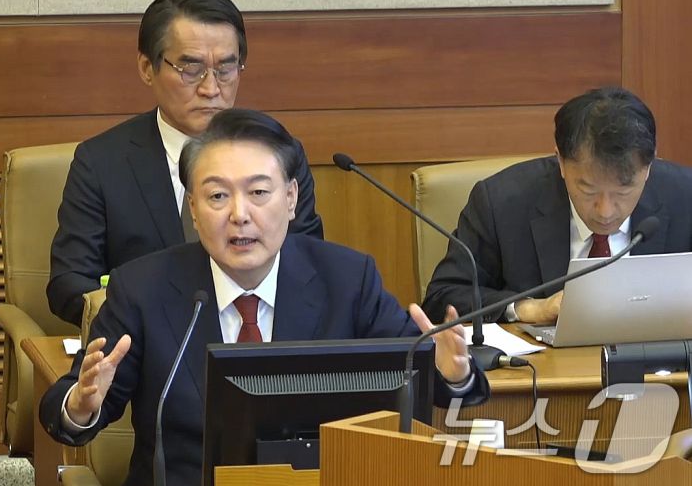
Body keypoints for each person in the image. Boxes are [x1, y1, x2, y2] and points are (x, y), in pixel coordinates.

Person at [40, 109, 490, 486]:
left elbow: (419, 384)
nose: (240, 215)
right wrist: (79, 406)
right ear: (193, 208)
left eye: (258, 192)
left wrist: (452, 374)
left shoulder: (346, 280)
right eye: (218, 196)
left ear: (291, 198)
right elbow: (68, 409)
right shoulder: (143, 287)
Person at [47, 0, 323, 326]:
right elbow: (69, 283)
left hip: (254, 336)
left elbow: (307, 266)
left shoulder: (278, 155)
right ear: (147, 68)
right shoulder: (101, 162)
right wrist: (152, 321)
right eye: (191, 70)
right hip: (145, 345)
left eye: (225, 69)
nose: (211, 88)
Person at [423, 86, 692, 324]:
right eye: (588, 189)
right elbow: (443, 298)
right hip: (543, 365)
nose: (605, 211)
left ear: (648, 166)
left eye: (623, 191)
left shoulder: (685, 197)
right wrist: (529, 308)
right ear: (561, 161)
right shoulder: (501, 202)